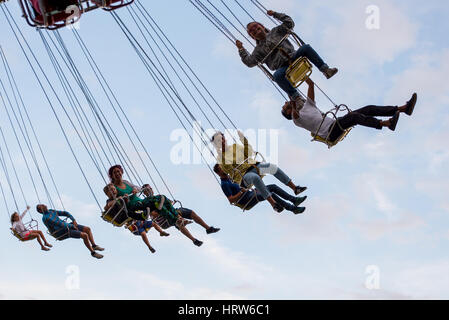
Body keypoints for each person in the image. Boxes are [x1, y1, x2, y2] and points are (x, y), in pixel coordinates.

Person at [236, 9, 338, 106]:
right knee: (277, 76)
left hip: (294, 57)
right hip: (283, 68)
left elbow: (289, 23)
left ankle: (325, 70)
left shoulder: (276, 31)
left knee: (305, 48)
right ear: (252, 36)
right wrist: (241, 50)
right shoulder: (258, 51)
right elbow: (249, 62)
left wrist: (275, 14)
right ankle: (296, 98)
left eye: (255, 26)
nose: (254, 30)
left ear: (262, 26)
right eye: (251, 31)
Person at [282, 78, 418, 143]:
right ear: (288, 112)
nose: (285, 103)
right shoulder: (296, 120)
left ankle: (403, 109)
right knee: (354, 117)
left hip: (336, 123)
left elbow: (311, 85)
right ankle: (386, 124)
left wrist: (299, 77)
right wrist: (292, 103)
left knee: (368, 109)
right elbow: (295, 114)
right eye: (284, 107)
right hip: (330, 133)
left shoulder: (308, 106)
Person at [211, 130, 307, 213]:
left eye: (222, 139)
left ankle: (295, 188)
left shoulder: (235, 146)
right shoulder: (220, 158)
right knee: (255, 178)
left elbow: (249, 153)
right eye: (218, 141)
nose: (221, 141)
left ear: (225, 139)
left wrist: (243, 139)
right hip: (244, 176)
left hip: (254, 166)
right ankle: (273, 204)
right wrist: (223, 158)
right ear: (216, 145)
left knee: (272, 167)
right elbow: (228, 170)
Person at [214, 164, 306, 214]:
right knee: (269, 194)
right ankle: (293, 209)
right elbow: (230, 200)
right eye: (221, 168)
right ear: (218, 173)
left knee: (272, 187)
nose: (224, 169)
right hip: (245, 199)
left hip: (249, 193)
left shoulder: (230, 178)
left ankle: (294, 200)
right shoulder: (224, 184)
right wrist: (241, 192)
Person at [142, 184, 220, 235]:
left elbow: (170, 202)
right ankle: (183, 223)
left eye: (150, 188)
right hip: (164, 220)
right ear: (144, 193)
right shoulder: (147, 203)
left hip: (170, 216)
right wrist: (163, 208)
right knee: (177, 215)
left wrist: (169, 204)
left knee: (190, 213)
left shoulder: (159, 197)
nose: (150, 190)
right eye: (148, 189)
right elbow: (154, 214)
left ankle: (206, 230)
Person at [36, 204, 105, 259]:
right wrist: (72, 226)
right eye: (41, 206)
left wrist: (73, 220)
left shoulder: (51, 211)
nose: (43, 205)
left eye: (42, 204)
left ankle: (94, 245)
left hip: (67, 226)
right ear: (40, 211)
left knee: (87, 229)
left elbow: (65, 213)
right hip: (61, 232)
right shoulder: (46, 218)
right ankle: (93, 253)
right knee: (84, 235)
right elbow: (59, 224)